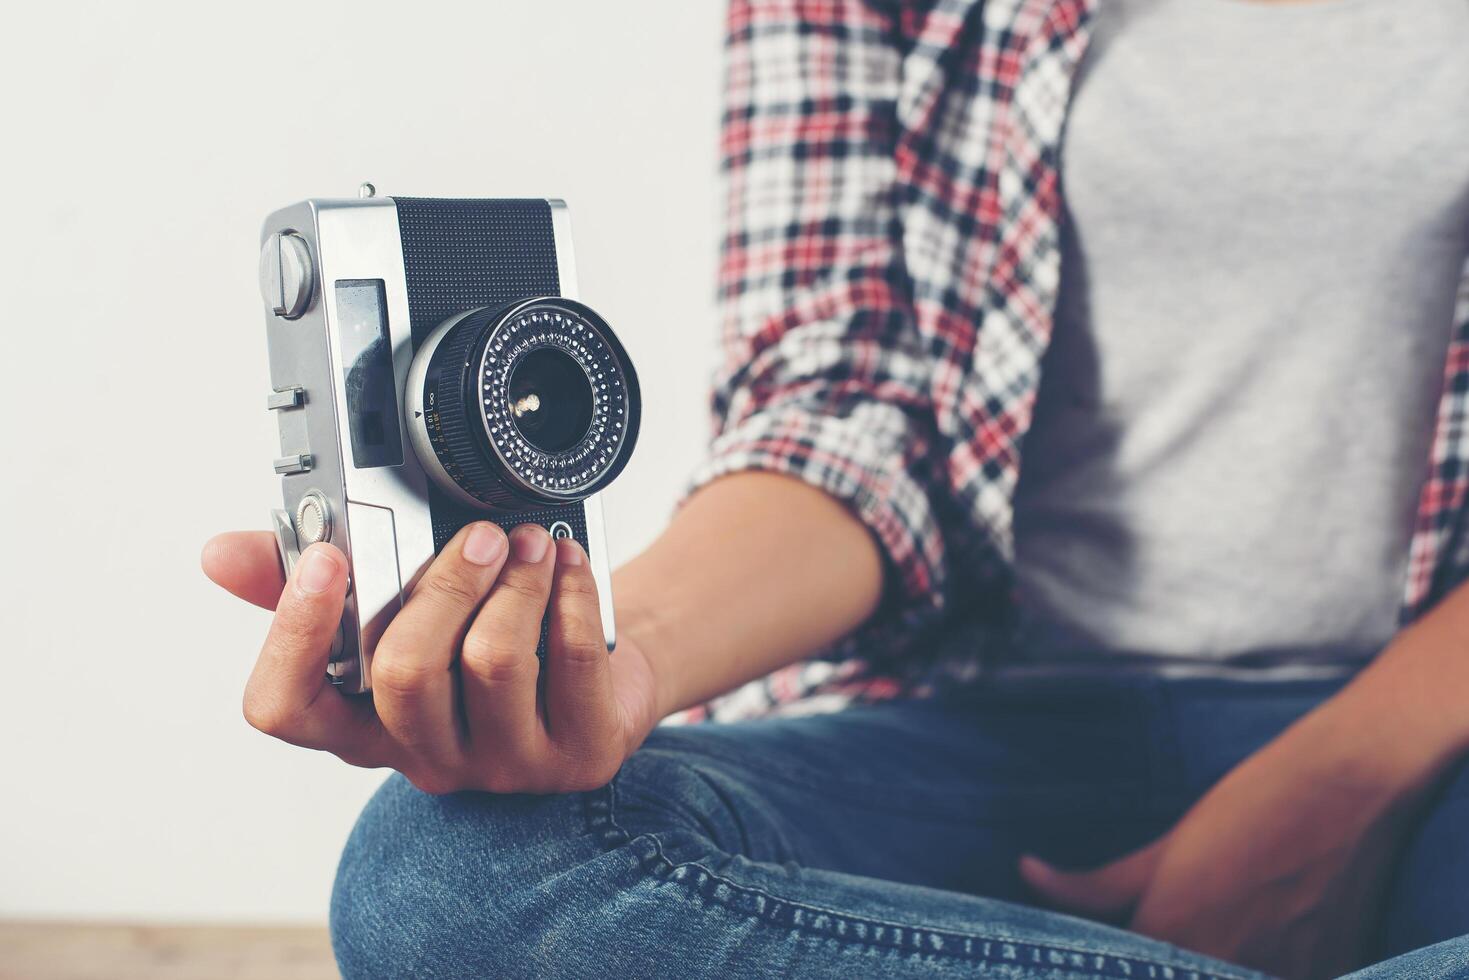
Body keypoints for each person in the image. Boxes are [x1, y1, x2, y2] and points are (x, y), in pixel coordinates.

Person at [203, 0, 1469, 976]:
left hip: (1435, 737)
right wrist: (607, 661)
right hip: (982, 736)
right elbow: (847, 413)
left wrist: (1334, 777)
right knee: (449, 879)